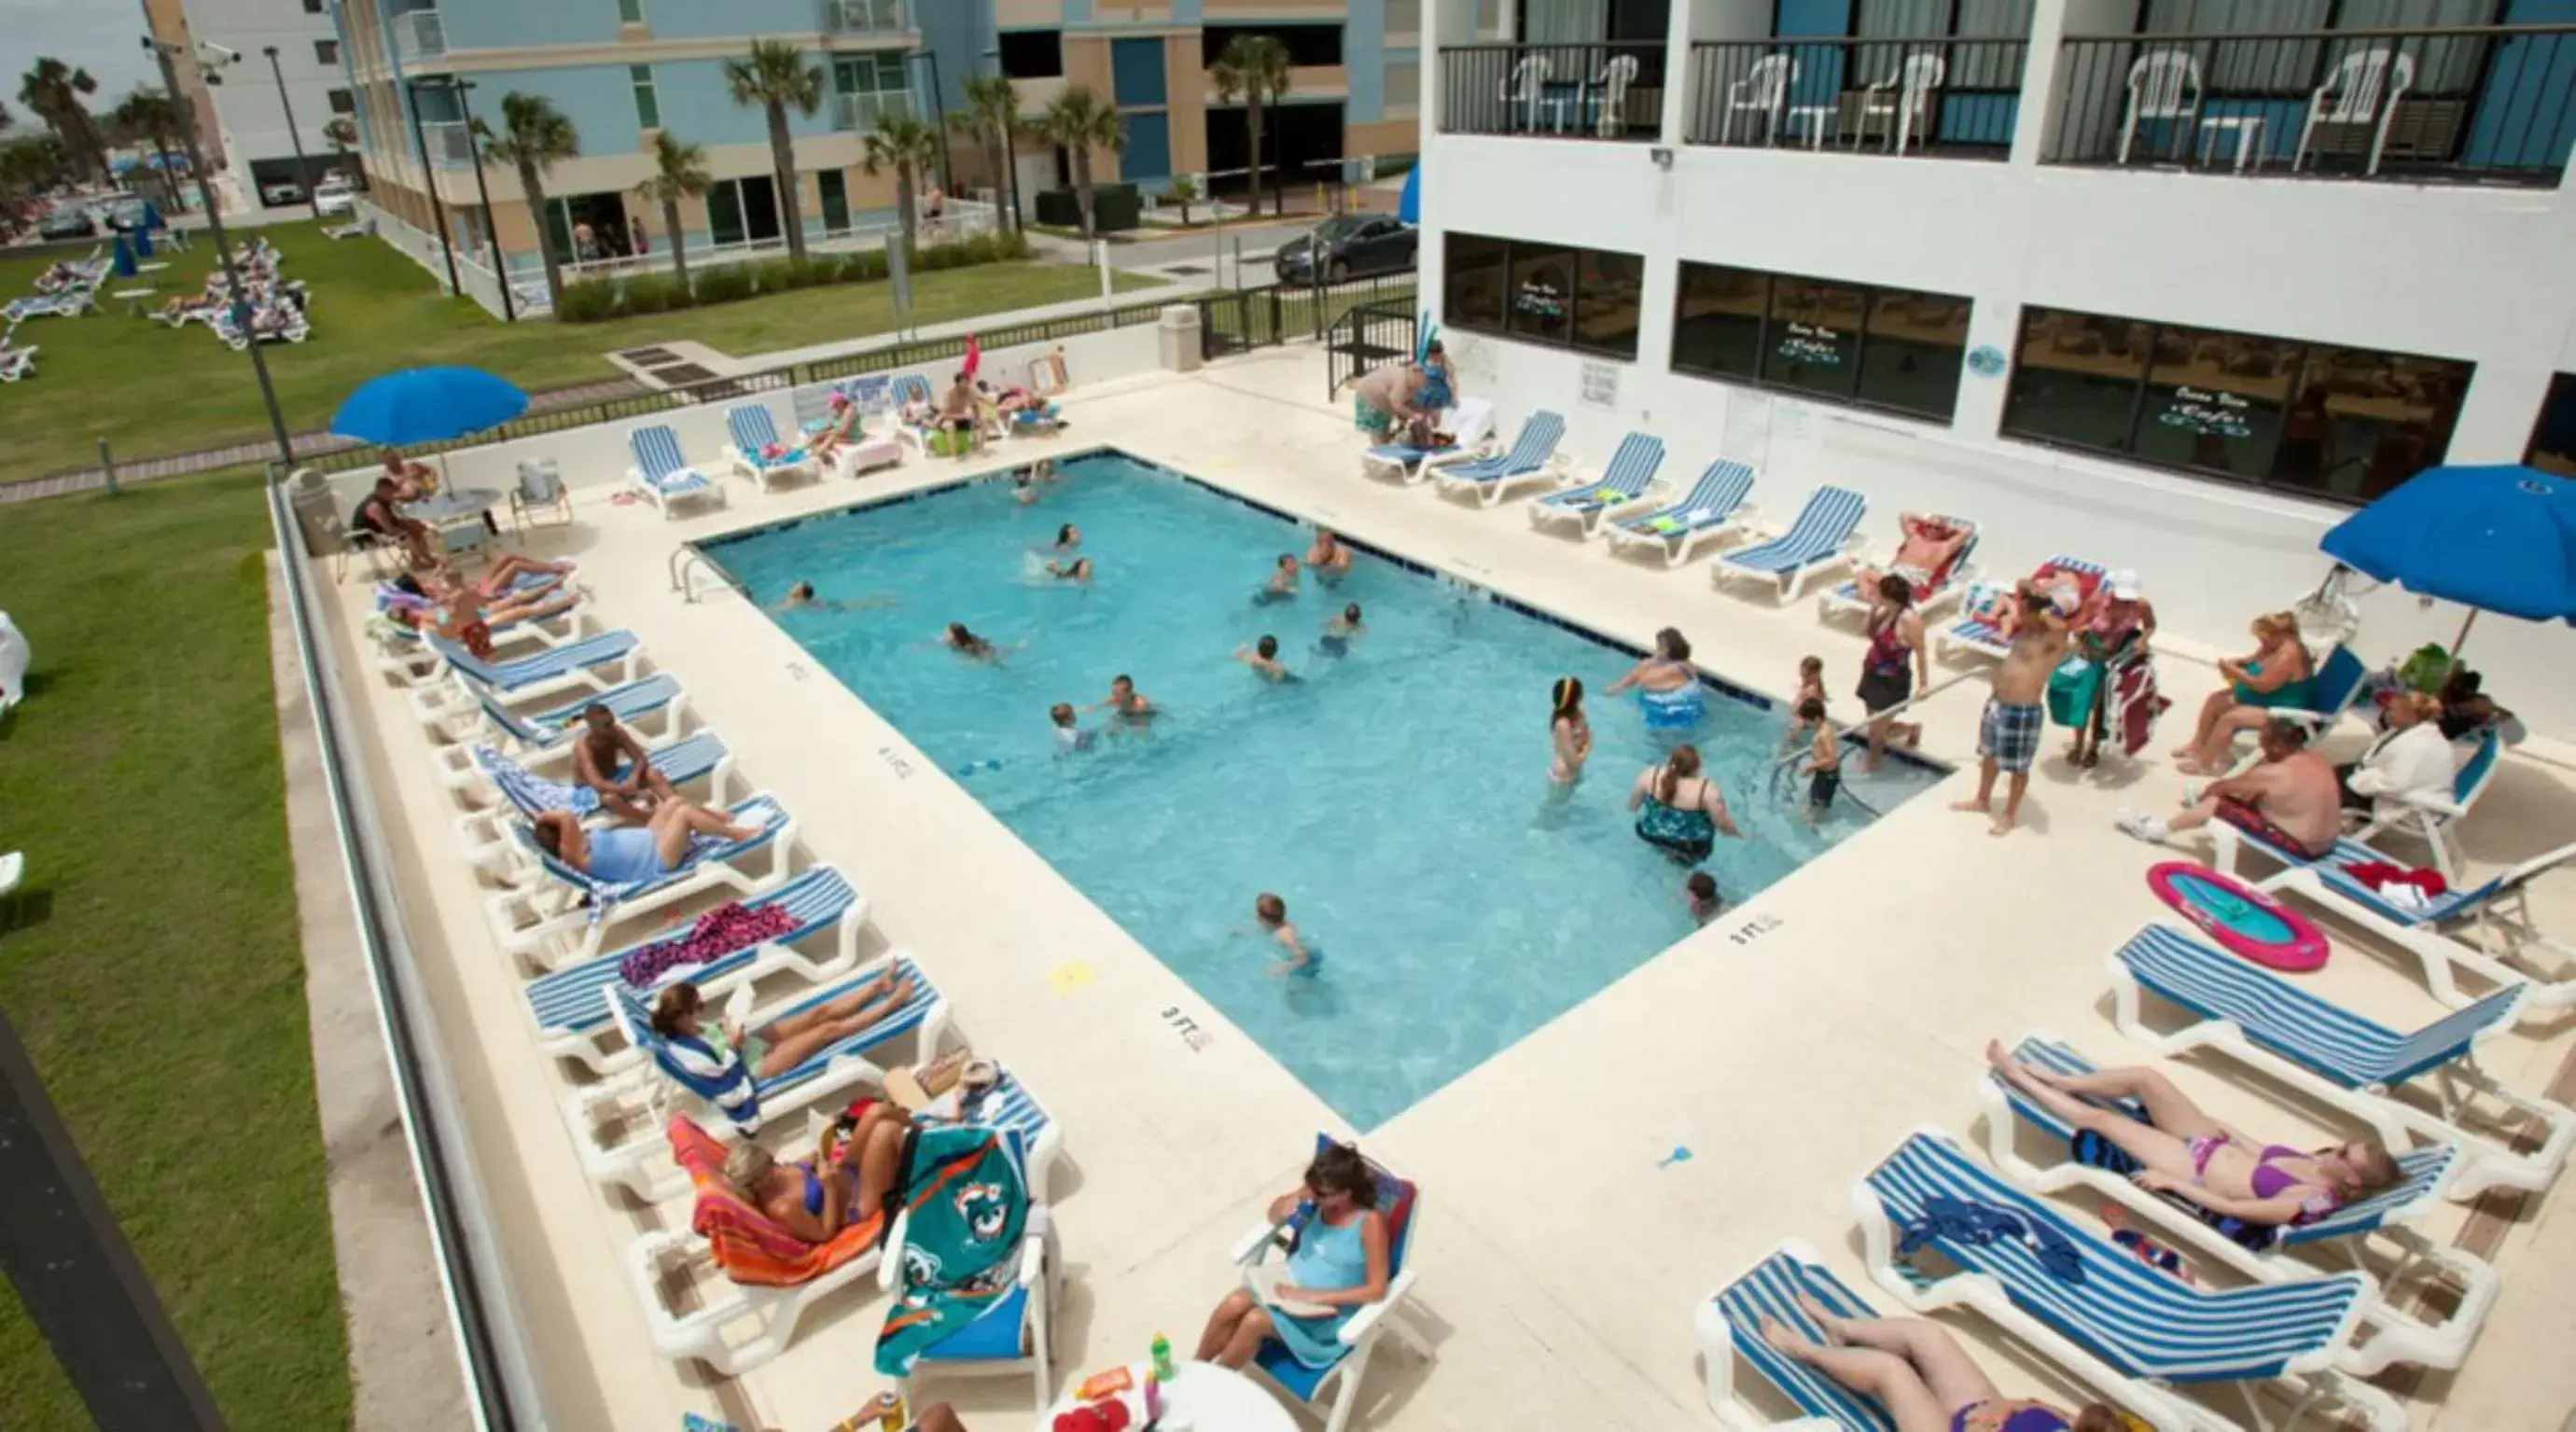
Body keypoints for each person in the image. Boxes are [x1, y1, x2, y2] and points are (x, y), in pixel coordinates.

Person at [1986, 1041, 2402, 1230]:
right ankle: (2064, 1080)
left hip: (2194, 1171)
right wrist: (2222, 1128)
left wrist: (2172, 1183)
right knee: (2147, 1078)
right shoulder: (2316, 1161)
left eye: (2347, 1154)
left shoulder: (2307, 1200)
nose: (2340, 1147)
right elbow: (2259, 1153)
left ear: (2350, 1180)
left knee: (2103, 1121)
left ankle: (2017, 1075)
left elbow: (2232, 1208)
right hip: (2212, 1143)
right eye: (2348, 1144)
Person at [1758, 1299, 2134, 1432]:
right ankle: (1842, 1329)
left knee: (1892, 1371)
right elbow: (2039, 1406)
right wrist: (2002, 1410)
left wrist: (1981, 1429)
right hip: (1980, 1410)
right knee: (1929, 1336)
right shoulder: (2080, 1428)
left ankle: (1803, 1350)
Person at [1196, 1144, 1390, 1370]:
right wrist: (1287, 1203)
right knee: (1235, 1303)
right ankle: (1195, 1368)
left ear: (1346, 1193)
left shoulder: (1369, 1223)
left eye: (1321, 1193)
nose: (1313, 1196)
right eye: (1311, 1187)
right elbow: (1272, 1215)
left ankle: (1212, 1385)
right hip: (1287, 1289)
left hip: (1325, 1314)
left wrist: (1314, 1297)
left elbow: (1377, 1290)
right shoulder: (1314, 1198)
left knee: (1255, 1321)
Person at [2118, 718, 2342, 859]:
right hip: (2326, 841)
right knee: (2255, 795)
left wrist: (2206, 797)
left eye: (2264, 746)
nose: (2262, 751)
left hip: (2301, 846)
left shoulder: (2274, 773)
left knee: (2216, 803)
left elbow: (2221, 788)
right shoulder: (2319, 761)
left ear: (2278, 746)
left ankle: (2156, 830)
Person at [1954, 581, 2068, 837]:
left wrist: (2044, 605)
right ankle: (1982, 799)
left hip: (2023, 709)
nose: (2018, 612)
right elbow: (2022, 584)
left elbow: (2063, 626)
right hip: (1997, 702)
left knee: (2018, 767)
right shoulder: (2025, 630)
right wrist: (2032, 591)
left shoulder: (2052, 638)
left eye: (2024, 608)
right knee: (1989, 754)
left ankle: (2009, 815)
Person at [2176, 613, 2316, 774]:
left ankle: (2204, 764)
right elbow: (2251, 660)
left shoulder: (2288, 655)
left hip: (2283, 711)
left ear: (2278, 635)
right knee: (2216, 700)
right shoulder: (2274, 646)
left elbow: (2262, 685)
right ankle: (2197, 744)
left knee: (2231, 718)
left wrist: (2234, 672)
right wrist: (2234, 663)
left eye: (2264, 638)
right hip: (2269, 699)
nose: (2261, 643)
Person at [530, 798, 760, 884]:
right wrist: (540, 818)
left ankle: (720, 820)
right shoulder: (574, 854)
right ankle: (737, 835)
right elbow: (565, 816)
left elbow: (566, 821)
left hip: (649, 838)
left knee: (674, 803)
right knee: (684, 815)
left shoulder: (579, 842)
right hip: (656, 859)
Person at [2068, 570, 2156, 770]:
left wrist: (2142, 640)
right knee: (2082, 703)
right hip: (2091, 657)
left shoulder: (2141, 605)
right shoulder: (2096, 601)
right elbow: (2077, 625)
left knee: (2104, 707)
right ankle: (2078, 745)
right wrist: (2083, 630)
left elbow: (2151, 625)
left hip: (2118, 662)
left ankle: (2094, 748)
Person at [1856, 575, 1928, 774]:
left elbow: (1921, 652)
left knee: (1876, 730)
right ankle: (1911, 729)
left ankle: (1872, 765)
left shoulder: (1910, 620)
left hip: (1892, 681)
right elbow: (1864, 632)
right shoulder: (1886, 612)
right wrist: (1872, 607)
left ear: (1889, 597)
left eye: (1879, 593)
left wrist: (1923, 684)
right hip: (1872, 673)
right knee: (1875, 726)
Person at [2338, 690, 2452, 813]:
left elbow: (2395, 785)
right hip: (2404, 792)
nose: (2388, 714)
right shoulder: (2417, 734)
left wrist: (2359, 780)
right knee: (2333, 773)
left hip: (2403, 803)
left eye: (2392, 709)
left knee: (2329, 786)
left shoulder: (2416, 745)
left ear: (2410, 713)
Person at [1629, 744, 1741, 863]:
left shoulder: (1651, 775)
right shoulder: (1706, 791)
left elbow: (1633, 806)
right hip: (1689, 847)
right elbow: (1723, 825)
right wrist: (1742, 836)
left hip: (1651, 835)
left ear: (1670, 761)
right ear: (1697, 768)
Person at [573, 703, 678, 823]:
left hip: (615, 775)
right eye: (606, 725)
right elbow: (597, 783)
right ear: (592, 726)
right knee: (610, 799)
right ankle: (650, 819)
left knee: (653, 773)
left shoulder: (616, 731)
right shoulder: (583, 746)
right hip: (590, 788)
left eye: (612, 721)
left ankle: (678, 807)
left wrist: (633, 778)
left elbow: (640, 758)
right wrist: (632, 790)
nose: (611, 727)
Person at [1607, 628, 1706, 735]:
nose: (1656, 650)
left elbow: (1641, 680)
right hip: (1685, 707)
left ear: (1667, 650)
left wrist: (1647, 664)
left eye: (1659, 647)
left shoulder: (1670, 670)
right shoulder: (1687, 665)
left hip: (1667, 710)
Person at [1853, 512, 1971, 598]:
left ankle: (1871, 600)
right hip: (1892, 573)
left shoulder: (1944, 546)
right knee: (1862, 574)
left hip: (1911, 580)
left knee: (1865, 577)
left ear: (1943, 530)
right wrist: (1924, 520)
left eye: (1937, 528)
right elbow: (1904, 516)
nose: (1932, 530)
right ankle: (1871, 599)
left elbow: (1968, 531)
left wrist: (1949, 529)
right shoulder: (1914, 537)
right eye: (1929, 526)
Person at [354, 476, 438, 570]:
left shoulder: (384, 497)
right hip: (369, 536)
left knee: (414, 526)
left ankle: (423, 558)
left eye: (391, 492)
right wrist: (406, 528)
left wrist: (420, 496)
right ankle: (421, 560)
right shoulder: (375, 507)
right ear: (378, 490)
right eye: (387, 492)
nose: (390, 495)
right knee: (408, 535)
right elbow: (390, 530)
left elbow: (404, 499)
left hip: (380, 528)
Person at [1344, 360, 1427, 440]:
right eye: (1416, 385)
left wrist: (1418, 411)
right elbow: (1396, 403)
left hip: (1381, 399)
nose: (1417, 388)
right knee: (1377, 430)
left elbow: (1407, 401)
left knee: (1383, 429)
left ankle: (1384, 445)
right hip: (1369, 396)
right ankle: (1378, 449)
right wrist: (1413, 415)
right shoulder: (1401, 380)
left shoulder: (1410, 379)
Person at [1791, 697, 1841, 823]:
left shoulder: (1824, 734)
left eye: (1807, 721)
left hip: (1827, 776)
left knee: (1819, 802)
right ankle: (1813, 816)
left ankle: (1813, 822)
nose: (1806, 724)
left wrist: (1810, 767)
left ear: (1817, 719)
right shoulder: (1826, 727)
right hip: (1824, 773)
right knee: (1816, 799)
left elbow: (1831, 757)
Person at [1253, 892, 1318, 977]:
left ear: (1262, 919)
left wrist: (1281, 968)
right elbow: (1261, 928)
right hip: (1301, 954)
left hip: (1307, 963)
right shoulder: (1277, 924)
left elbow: (1303, 958)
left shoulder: (1284, 934)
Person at [1549, 677, 1592, 786]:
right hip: (1562, 776)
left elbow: (1584, 733)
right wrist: (1589, 747)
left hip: (1574, 770)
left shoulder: (1579, 712)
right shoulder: (1562, 725)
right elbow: (1574, 762)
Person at [938, 370, 981, 461]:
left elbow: (975, 406)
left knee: (966, 423)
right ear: (957, 383)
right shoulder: (948, 393)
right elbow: (944, 414)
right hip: (946, 418)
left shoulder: (970, 391)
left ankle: (963, 450)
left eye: (967, 381)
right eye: (964, 382)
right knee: (950, 425)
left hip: (960, 416)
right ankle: (955, 453)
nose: (966, 384)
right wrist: (962, 416)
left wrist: (977, 419)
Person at [1094, 674, 1158, 726]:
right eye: (1113, 693)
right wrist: (1094, 708)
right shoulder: (1115, 699)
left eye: (1118, 694)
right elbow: (1102, 704)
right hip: (1127, 715)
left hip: (1144, 716)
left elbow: (1144, 725)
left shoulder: (1140, 705)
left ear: (1128, 693)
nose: (1114, 697)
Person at [1417, 339, 1459, 412]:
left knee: (1435, 418)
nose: (1433, 358)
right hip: (1424, 393)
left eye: (1436, 356)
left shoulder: (1446, 363)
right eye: (1431, 356)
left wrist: (1455, 397)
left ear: (1441, 353)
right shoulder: (1424, 360)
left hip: (1440, 395)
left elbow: (1454, 382)